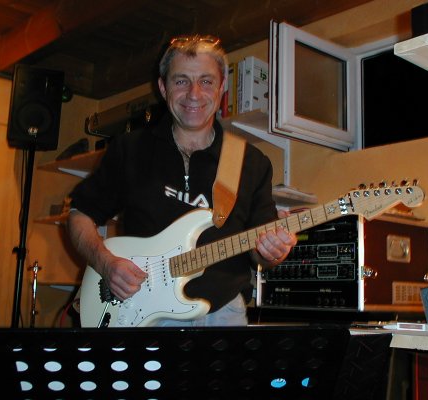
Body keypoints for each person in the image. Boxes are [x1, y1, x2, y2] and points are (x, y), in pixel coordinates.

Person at [67, 34, 297, 327]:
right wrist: (105, 263)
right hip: (138, 309)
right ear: (163, 87)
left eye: (206, 81)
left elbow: (260, 253)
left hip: (223, 314)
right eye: (181, 81)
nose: (194, 94)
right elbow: (80, 214)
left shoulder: (252, 163)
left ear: (222, 88)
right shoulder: (130, 149)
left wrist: (273, 251)